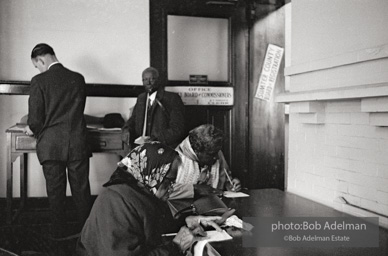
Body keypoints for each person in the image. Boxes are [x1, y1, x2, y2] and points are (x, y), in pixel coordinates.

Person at [76, 142, 222, 256]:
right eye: (170, 181)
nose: (172, 187)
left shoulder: (145, 191)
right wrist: (176, 246)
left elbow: (156, 226)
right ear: (153, 174)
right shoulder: (116, 200)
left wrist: (187, 221)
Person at [25, 43, 92, 239]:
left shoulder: (38, 81)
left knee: (55, 193)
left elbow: (36, 120)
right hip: (77, 142)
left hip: (51, 146)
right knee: (82, 191)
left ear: (41, 59)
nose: (38, 69)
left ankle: (58, 235)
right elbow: (77, 111)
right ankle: (88, 234)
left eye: (37, 65)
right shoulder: (78, 79)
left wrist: (32, 128)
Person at [170, 124, 241, 199]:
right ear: (197, 151)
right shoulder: (176, 159)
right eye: (212, 154)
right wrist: (196, 189)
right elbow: (164, 191)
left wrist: (230, 184)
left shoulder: (216, 152)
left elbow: (226, 179)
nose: (217, 157)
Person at [122, 67, 185, 149]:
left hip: (163, 147)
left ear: (158, 80)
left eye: (152, 79)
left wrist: (156, 139)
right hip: (141, 147)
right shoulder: (141, 98)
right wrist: (126, 129)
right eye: (145, 79)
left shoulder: (171, 98)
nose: (148, 82)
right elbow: (133, 119)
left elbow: (178, 129)